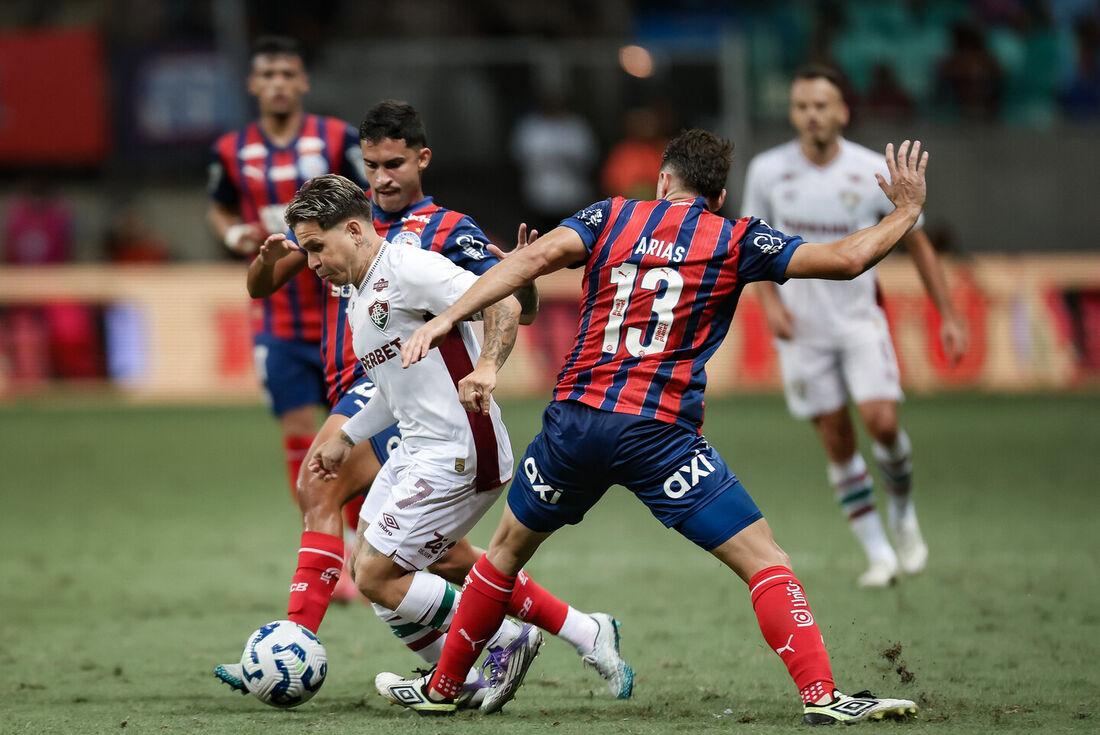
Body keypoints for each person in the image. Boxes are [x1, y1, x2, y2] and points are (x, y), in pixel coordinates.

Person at [380, 128, 927, 725]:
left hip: (575, 428)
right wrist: (905, 210)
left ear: (662, 180)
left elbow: (528, 260)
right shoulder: (738, 237)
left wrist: (446, 321)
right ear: (718, 198)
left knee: (504, 554)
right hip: (658, 436)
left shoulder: (611, 215)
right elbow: (849, 260)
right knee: (764, 559)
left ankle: (444, 685)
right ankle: (823, 696)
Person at [215, 102, 629, 707]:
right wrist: (348, 435)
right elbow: (389, 386)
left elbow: (507, 300)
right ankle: (502, 659)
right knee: (383, 569)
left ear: (353, 230)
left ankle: (493, 644)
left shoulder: (415, 259)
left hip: (459, 446)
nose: (311, 264)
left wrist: (488, 364)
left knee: (378, 567)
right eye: (372, 164)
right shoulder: (359, 291)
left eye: (315, 249)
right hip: (416, 438)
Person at [741, 64, 968, 588]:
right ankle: (878, 554)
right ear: (793, 112)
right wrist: (770, 306)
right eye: (802, 106)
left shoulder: (871, 171)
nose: (812, 115)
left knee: (882, 422)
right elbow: (748, 243)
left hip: (860, 323)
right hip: (802, 330)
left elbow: (918, 242)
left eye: (822, 105)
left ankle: (904, 514)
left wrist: (948, 316)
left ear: (842, 111)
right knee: (838, 439)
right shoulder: (768, 172)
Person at [206, 36, 367, 505]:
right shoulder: (231, 149)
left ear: (303, 82)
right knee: (299, 438)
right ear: (253, 84)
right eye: (268, 75)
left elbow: (368, 202)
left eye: (287, 74)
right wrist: (234, 234)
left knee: (353, 436)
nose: (278, 84)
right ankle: (328, 544)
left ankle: (363, 539)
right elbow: (218, 209)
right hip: (279, 324)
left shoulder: (338, 139)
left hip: (345, 319)